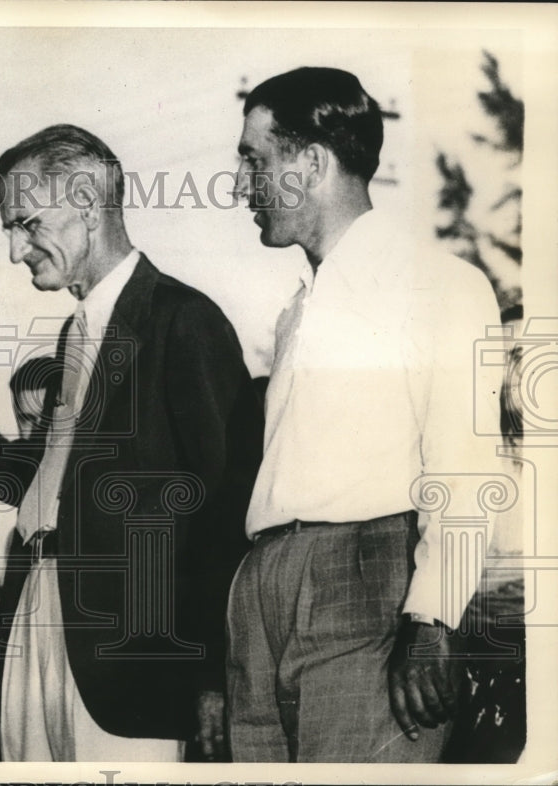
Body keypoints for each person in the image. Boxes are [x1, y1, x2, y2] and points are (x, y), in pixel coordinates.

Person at [226, 67, 503, 762]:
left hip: (366, 587)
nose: (240, 185)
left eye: (254, 160)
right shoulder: (299, 310)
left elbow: (468, 464)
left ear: (312, 161)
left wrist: (433, 617)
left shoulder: (440, 284)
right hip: (265, 584)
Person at [0, 124, 263, 762]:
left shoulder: (183, 320)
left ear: (87, 204)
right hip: (41, 615)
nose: (14, 249)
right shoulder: (74, 335)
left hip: (131, 663)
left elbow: (226, 512)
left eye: (26, 223)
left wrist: (208, 674)